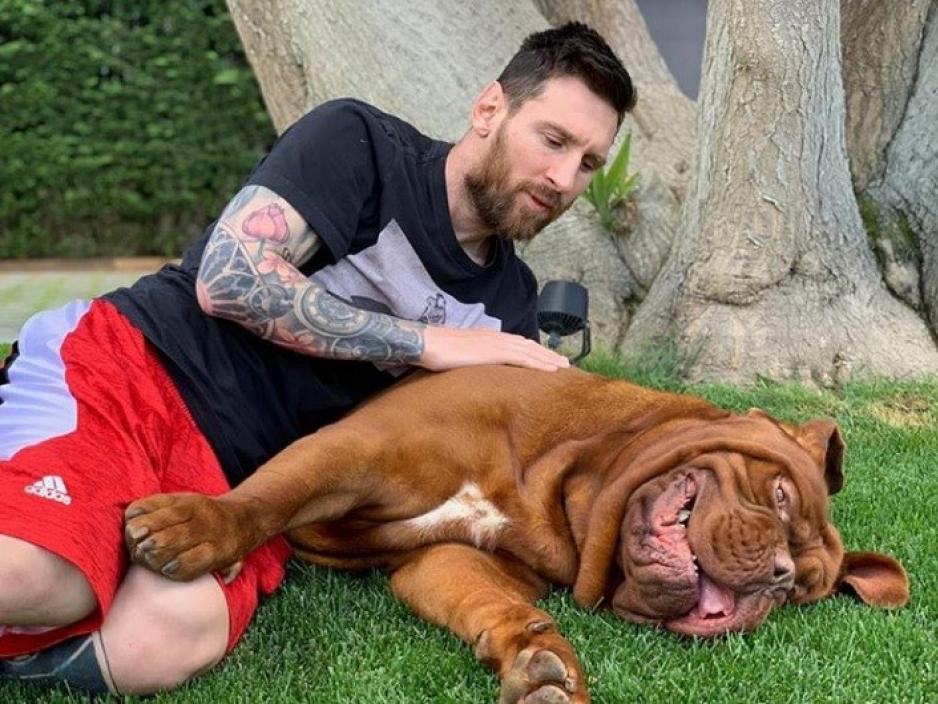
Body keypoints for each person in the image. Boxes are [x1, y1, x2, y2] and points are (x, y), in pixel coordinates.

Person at [0, 21, 635, 696]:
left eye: (589, 163)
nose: (564, 179)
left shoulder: (509, 307)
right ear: (489, 110)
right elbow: (227, 279)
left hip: (243, 487)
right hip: (138, 370)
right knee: (42, 579)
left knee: (165, 636)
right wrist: (429, 343)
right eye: (554, 140)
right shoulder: (360, 144)